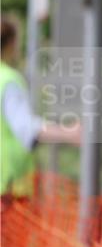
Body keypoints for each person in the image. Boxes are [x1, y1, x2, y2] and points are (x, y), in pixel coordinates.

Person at [1, 15, 80, 197]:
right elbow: (27, 128)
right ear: (11, 44)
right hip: (7, 191)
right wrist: (69, 133)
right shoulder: (7, 80)